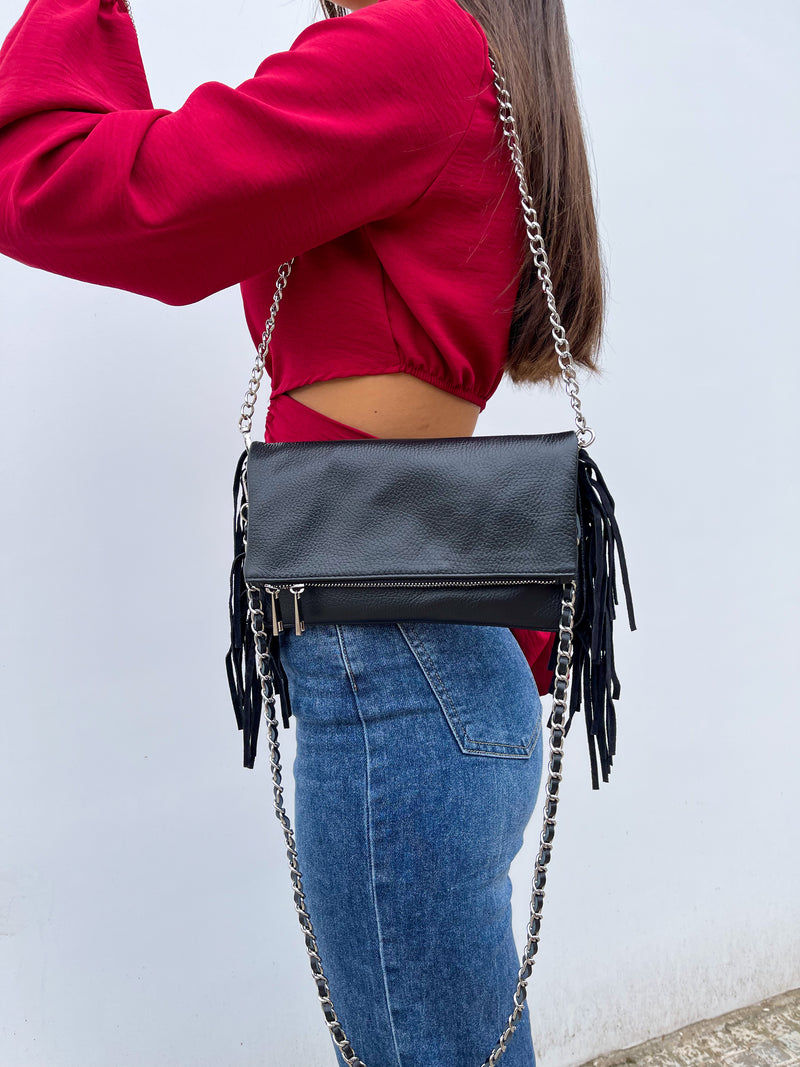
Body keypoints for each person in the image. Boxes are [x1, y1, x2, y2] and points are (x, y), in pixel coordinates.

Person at [0, 0, 605, 1062]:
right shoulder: (472, 58)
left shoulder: (414, 46)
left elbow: (57, 180)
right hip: (434, 655)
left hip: (392, 664)